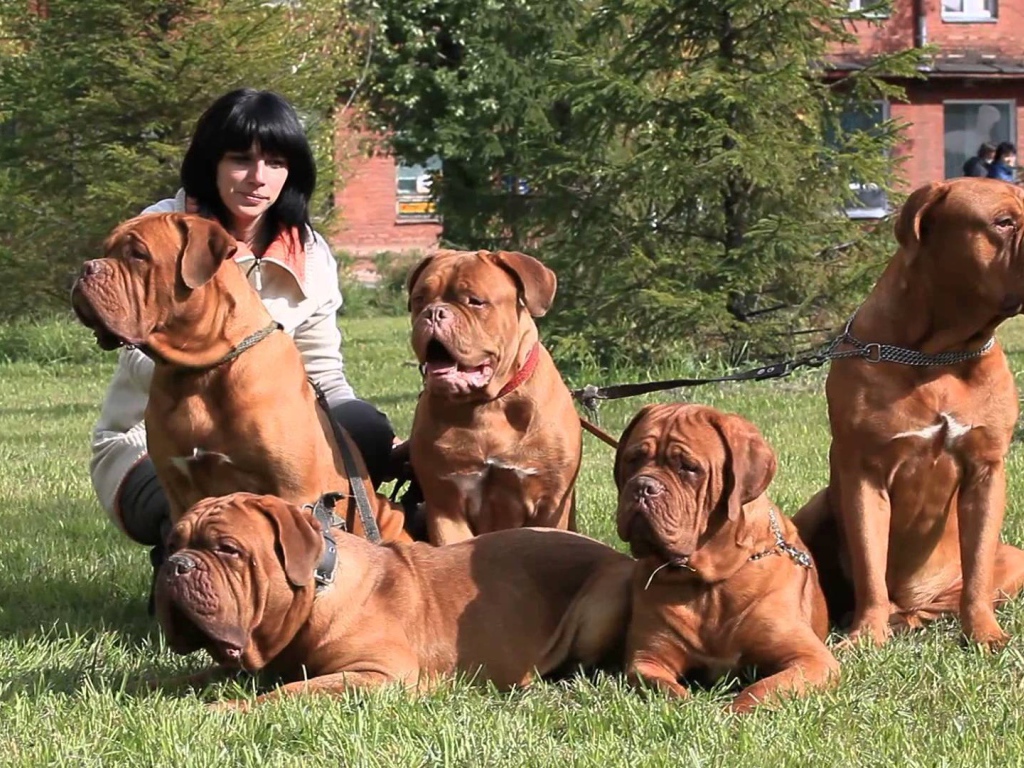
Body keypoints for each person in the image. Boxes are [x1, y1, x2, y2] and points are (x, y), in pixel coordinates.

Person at [89, 88, 404, 570]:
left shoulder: (310, 254)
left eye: (275, 163)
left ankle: (317, 554)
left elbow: (323, 373)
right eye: (240, 159)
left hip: (257, 433)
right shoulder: (158, 231)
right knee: (193, 504)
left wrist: (352, 449)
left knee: (365, 429)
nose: (258, 178)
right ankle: (190, 562)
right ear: (210, 163)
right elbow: (138, 360)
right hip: (149, 445)